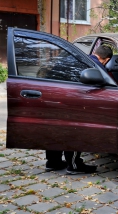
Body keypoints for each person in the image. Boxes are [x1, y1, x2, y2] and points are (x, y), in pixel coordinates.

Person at [45, 46, 113, 174]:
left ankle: (53, 162)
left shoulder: (76, 58)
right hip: (71, 101)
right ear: (107, 59)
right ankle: (74, 165)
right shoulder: (96, 66)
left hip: (51, 95)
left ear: (94, 53)